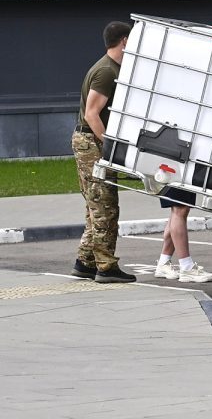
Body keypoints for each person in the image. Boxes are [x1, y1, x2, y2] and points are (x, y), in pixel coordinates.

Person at [70, 21, 137, 283]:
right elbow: (92, 114)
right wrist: (110, 146)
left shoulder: (110, 67)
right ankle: (106, 267)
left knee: (95, 205)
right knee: (105, 206)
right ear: (124, 41)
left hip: (88, 142)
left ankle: (85, 262)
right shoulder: (107, 71)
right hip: (91, 143)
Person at [152, 186, 212, 283]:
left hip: (175, 172)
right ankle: (187, 268)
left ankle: (163, 263)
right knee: (180, 209)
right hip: (174, 172)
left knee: (180, 209)